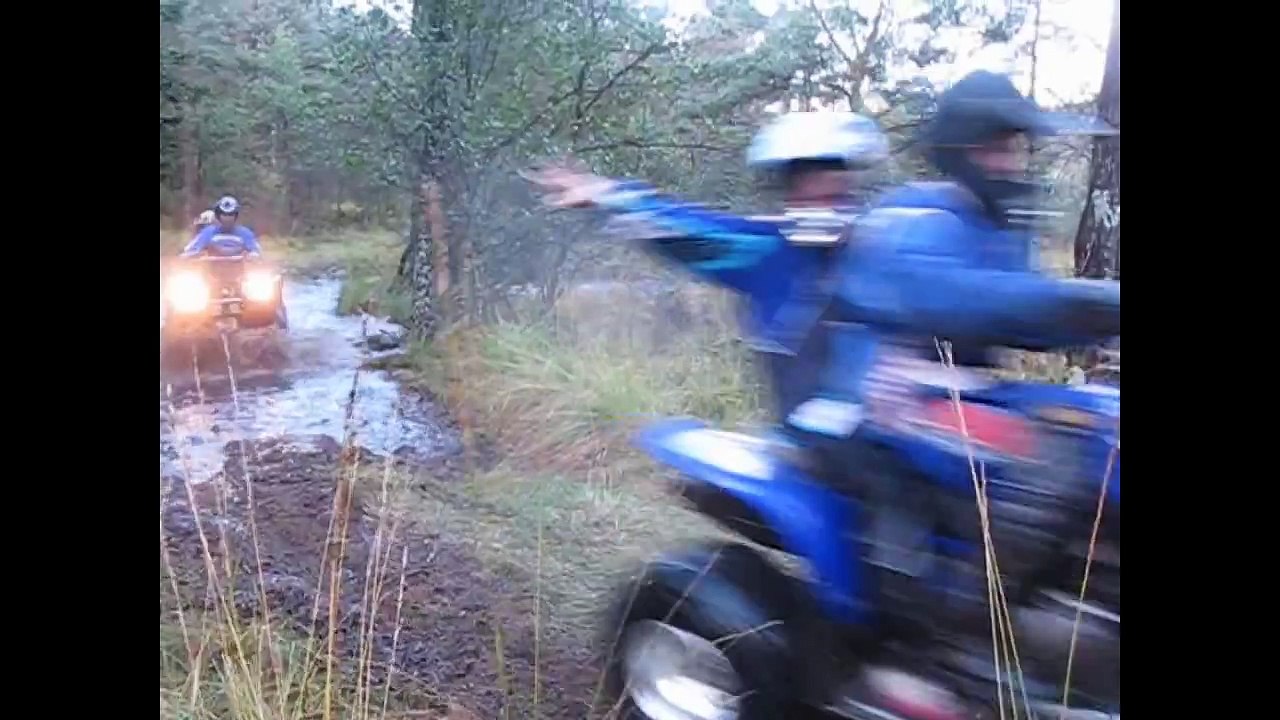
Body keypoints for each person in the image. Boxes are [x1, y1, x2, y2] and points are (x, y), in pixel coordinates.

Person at [798, 70, 1120, 714]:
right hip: (880, 396)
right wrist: (1091, 303)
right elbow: (968, 300)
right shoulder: (911, 217)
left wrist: (1090, 334)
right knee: (1047, 461)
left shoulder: (994, 225)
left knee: (1100, 422)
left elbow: (1024, 319)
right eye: (997, 148)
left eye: (1017, 148)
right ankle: (954, 653)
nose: (1011, 162)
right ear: (962, 149)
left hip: (960, 392)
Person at [524, 111, 889, 422]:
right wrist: (614, 196)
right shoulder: (771, 251)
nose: (825, 199)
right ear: (791, 191)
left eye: (836, 188)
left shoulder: (884, 247)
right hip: (815, 450)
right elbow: (695, 231)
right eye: (810, 186)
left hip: (899, 441)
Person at [182, 196, 263, 257]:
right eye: (224, 214)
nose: (227, 218)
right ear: (218, 215)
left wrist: (253, 256)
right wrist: (189, 255)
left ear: (236, 216)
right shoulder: (208, 232)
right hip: (208, 276)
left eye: (230, 214)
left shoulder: (245, 234)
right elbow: (191, 250)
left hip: (243, 276)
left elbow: (257, 252)